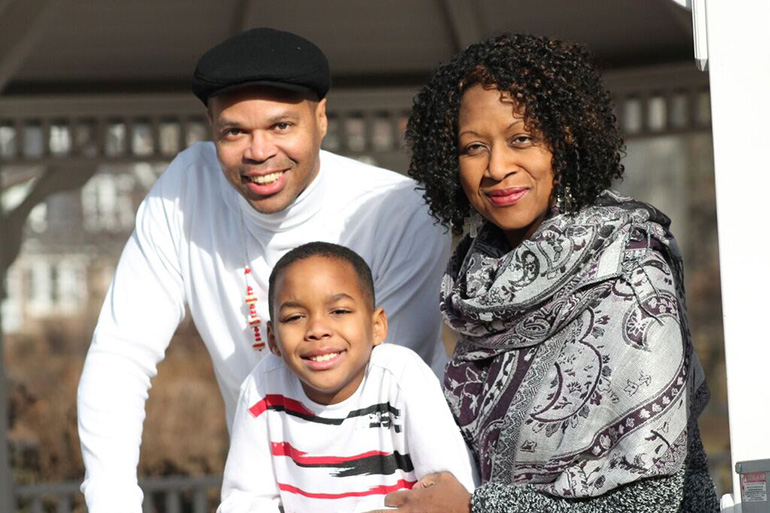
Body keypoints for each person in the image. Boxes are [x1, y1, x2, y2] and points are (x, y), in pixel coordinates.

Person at [76, 28, 450, 513]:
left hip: (397, 493)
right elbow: (121, 356)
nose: (258, 152)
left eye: (281, 126)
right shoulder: (186, 190)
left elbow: (381, 385)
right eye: (234, 131)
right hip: (261, 489)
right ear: (211, 127)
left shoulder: (400, 212)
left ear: (320, 118)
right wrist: (111, 502)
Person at [371, 33, 719, 512]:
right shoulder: (477, 290)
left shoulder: (630, 271)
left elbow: (653, 499)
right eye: (473, 147)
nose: (496, 167)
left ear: (564, 138)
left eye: (521, 139)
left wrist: (478, 508)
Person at [217, 242, 478, 513]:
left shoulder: (401, 378)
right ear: (273, 340)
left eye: (339, 311)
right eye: (295, 317)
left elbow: (451, 492)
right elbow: (244, 502)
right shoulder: (262, 388)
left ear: (377, 326)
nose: (317, 330)